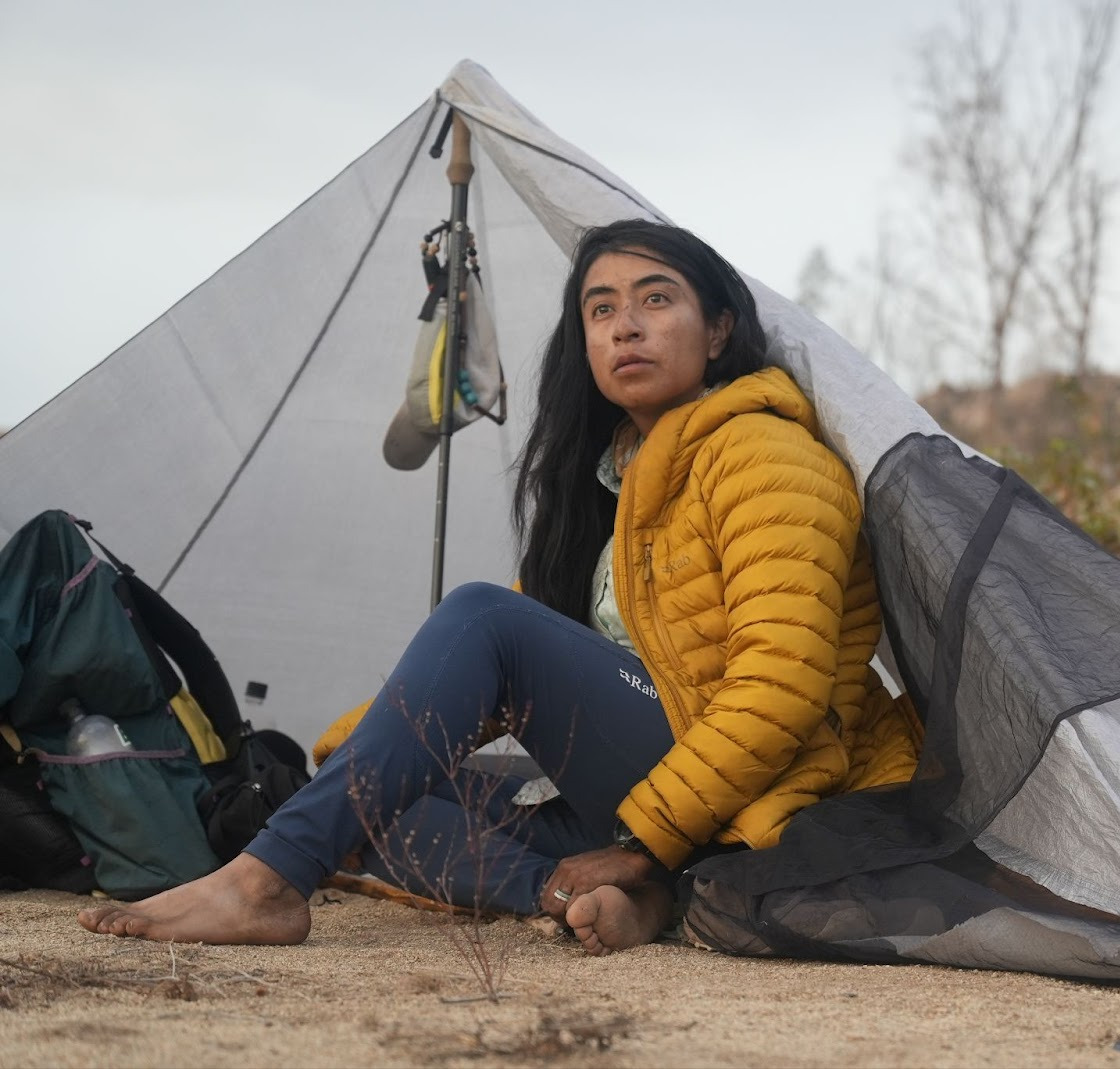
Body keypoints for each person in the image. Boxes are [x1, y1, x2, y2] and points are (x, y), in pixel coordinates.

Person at [78, 220, 923, 955]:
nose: (625, 325)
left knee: (482, 616)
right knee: (370, 798)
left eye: (656, 299)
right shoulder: (611, 489)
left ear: (718, 331)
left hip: (757, 790)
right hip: (651, 792)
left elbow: (782, 691)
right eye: (601, 309)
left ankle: (265, 883)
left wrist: (640, 837)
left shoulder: (766, 456)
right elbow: (494, 677)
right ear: (583, 344)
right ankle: (594, 899)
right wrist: (358, 754)